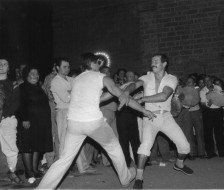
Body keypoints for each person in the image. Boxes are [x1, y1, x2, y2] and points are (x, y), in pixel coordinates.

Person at [36, 52, 156, 189]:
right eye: (97, 63)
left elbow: (97, 98)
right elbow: (122, 96)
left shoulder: (76, 80)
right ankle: (126, 178)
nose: (99, 65)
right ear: (92, 63)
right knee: (115, 149)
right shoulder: (102, 77)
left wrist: (115, 91)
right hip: (93, 123)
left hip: (74, 124)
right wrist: (143, 110)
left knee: (64, 160)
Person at [126, 53, 193, 189]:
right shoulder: (146, 77)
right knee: (145, 146)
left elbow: (164, 96)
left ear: (164, 64)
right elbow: (134, 84)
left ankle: (179, 164)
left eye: (156, 61)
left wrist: (143, 99)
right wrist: (126, 92)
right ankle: (139, 177)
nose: (153, 64)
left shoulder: (172, 79)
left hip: (166, 117)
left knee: (185, 146)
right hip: (149, 118)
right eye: (152, 62)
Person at [50, 57, 91, 174]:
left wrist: (72, 92)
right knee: (64, 142)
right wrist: (73, 92)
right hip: (63, 112)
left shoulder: (71, 79)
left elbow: (82, 91)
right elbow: (66, 98)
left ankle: (83, 167)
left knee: (78, 139)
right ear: (57, 67)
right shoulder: (55, 81)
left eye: (68, 67)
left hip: (74, 111)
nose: (67, 69)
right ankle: (61, 171)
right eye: (64, 67)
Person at [16, 66, 53, 183]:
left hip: (39, 123)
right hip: (27, 122)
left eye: (37, 74)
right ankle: (28, 172)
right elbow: (19, 105)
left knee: (37, 146)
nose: (35, 76)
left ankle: (35, 170)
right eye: (32, 73)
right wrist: (24, 119)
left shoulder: (39, 88)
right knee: (27, 146)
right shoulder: (22, 88)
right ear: (26, 75)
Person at [0, 59, 24, 184]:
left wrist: (3, 115)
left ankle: (12, 171)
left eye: (4, 64)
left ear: (8, 68)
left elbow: (16, 102)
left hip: (7, 120)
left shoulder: (13, 83)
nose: (1, 66)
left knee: (11, 148)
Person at [200, 75, 224, 159]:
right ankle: (210, 153)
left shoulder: (218, 87)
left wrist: (219, 100)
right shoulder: (202, 91)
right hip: (208, 112)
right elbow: (203, 105)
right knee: (208, 133)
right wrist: (209, 103)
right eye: (205, 81)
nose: (207, 82)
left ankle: (222, 152)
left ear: (211, 80)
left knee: (220, 132)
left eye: (208, 80)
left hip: (218, 111)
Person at [116, 71, 141, 167]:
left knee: (135, 139)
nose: (130, 77)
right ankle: (126, 162)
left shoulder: (136, 86)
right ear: (125, 78)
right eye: (128, 76)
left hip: (133, 114)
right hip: (121, 114)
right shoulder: (120, 87)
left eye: (132, 76)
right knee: (123, 139)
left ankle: (139, 161)